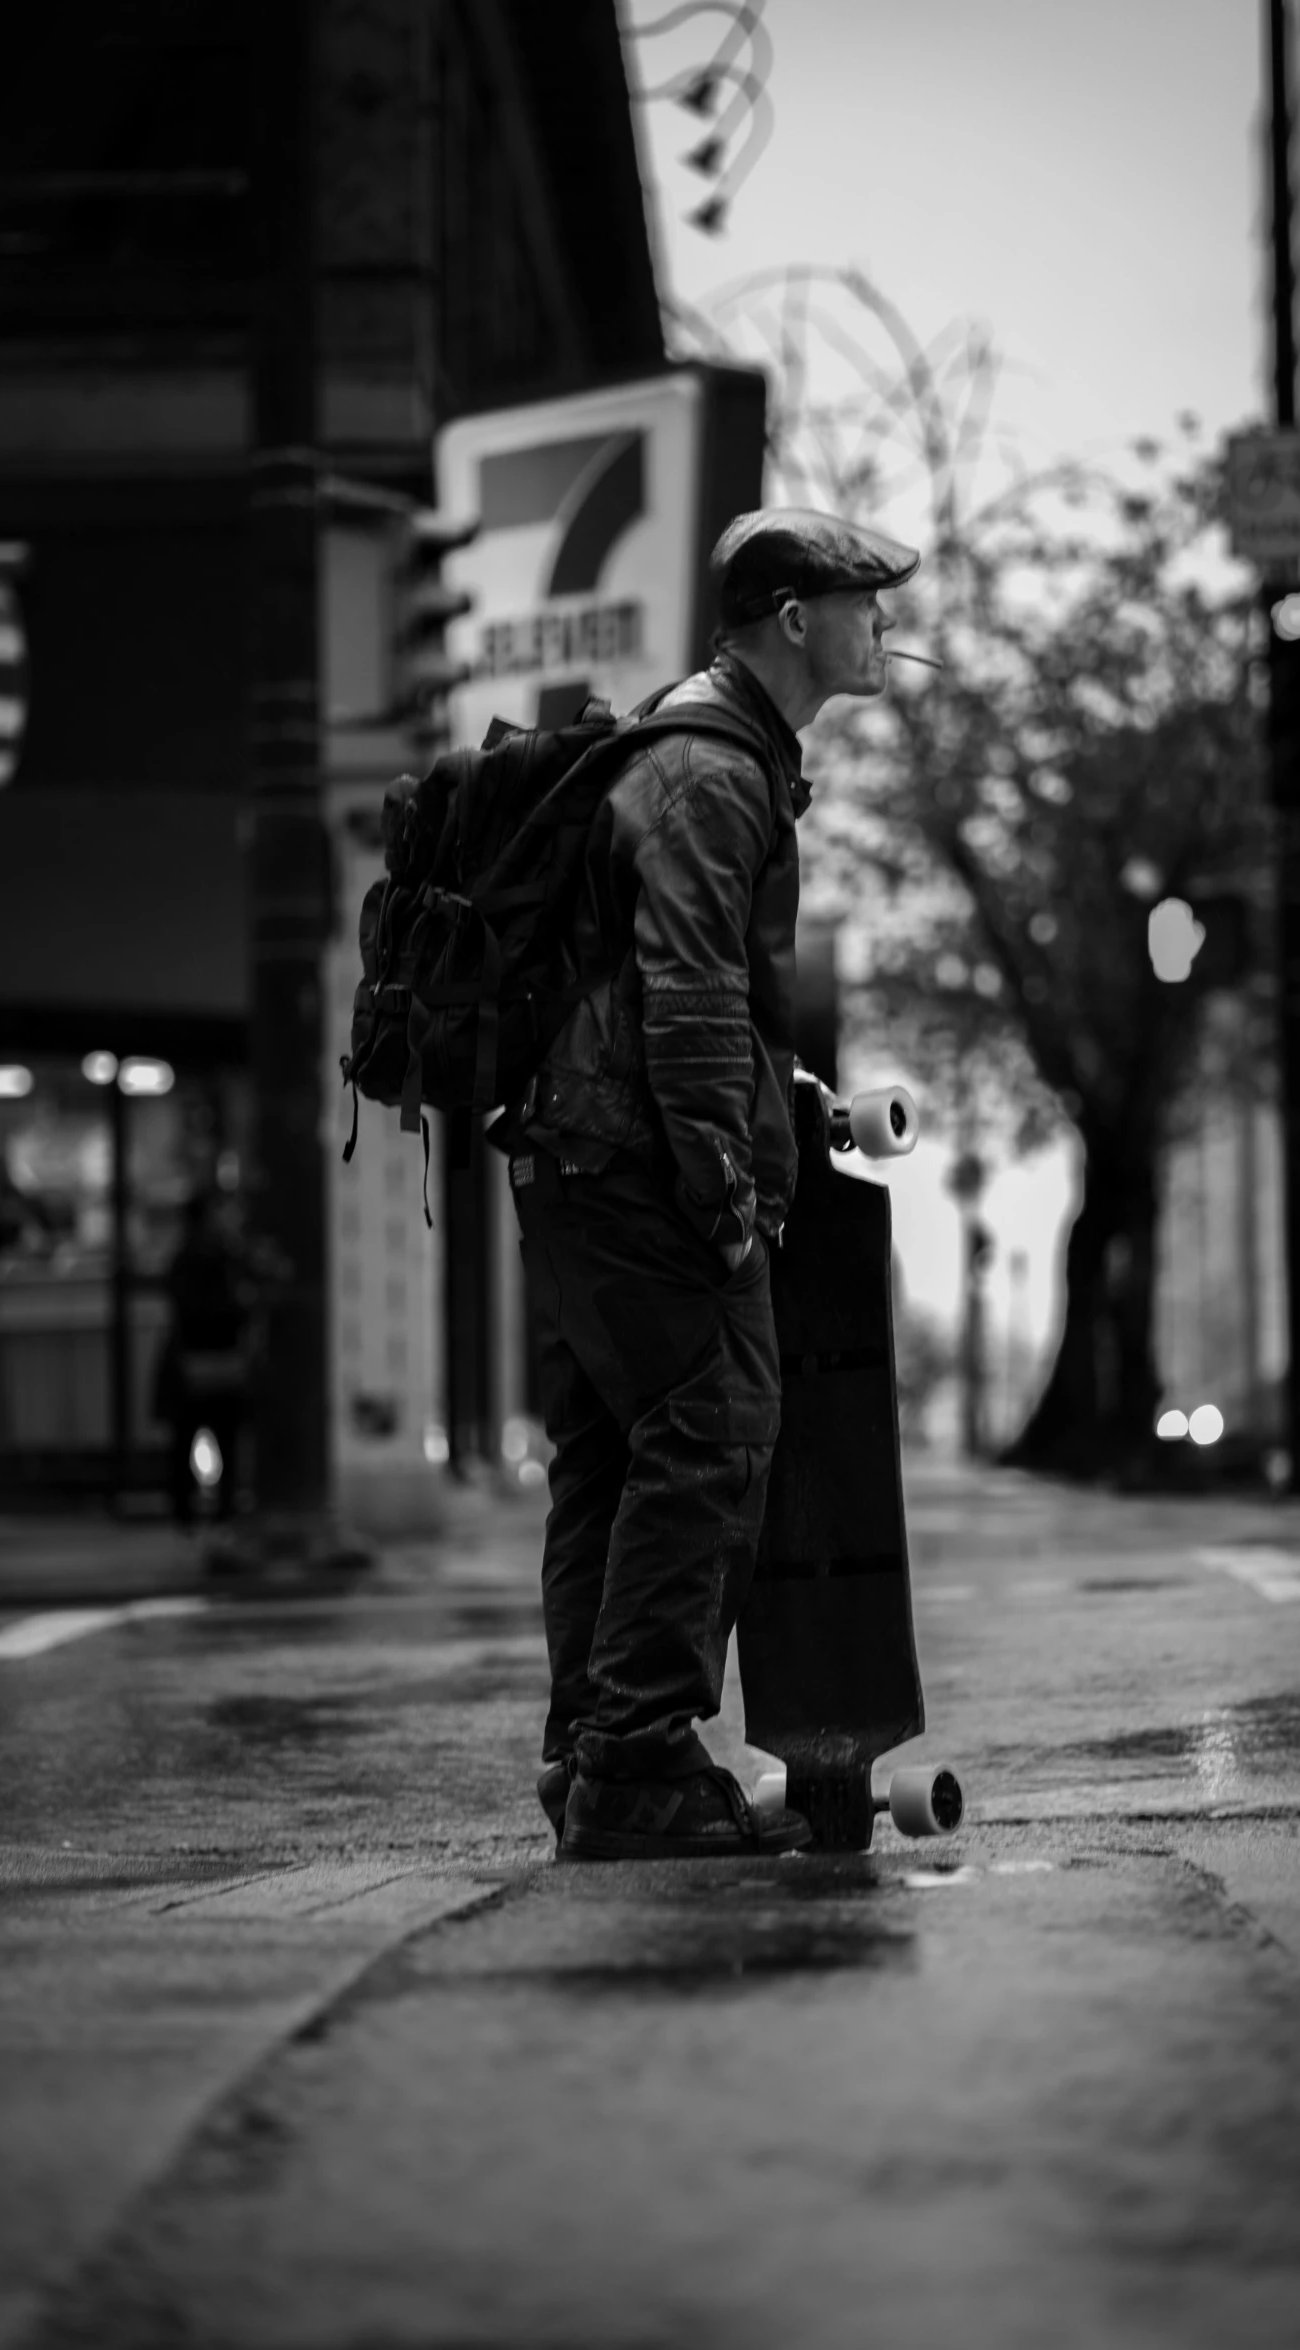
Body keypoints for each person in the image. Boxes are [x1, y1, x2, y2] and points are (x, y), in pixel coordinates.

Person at [504, 507, 922, 1860]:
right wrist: (725, 1193)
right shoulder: (711, 770)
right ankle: (630, 1761)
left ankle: (591, 1756)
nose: (884, 625)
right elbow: (683, 994)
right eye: (865, 600)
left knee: (614, 1457)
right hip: (633, 1169)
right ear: (793, 618)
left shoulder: (708, 747)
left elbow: (680, 1000)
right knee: (716, 1428)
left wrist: (788, 1104)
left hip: (582, 1151)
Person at [153, 1188, 248, 1529]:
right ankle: (212, 1515)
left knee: (191, 1441)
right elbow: (213, 1308)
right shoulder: (215, 1256)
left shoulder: (199, 1254)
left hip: (197, 1360)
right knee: (216, 1439)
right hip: (208, 1359)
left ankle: (191, 1515)